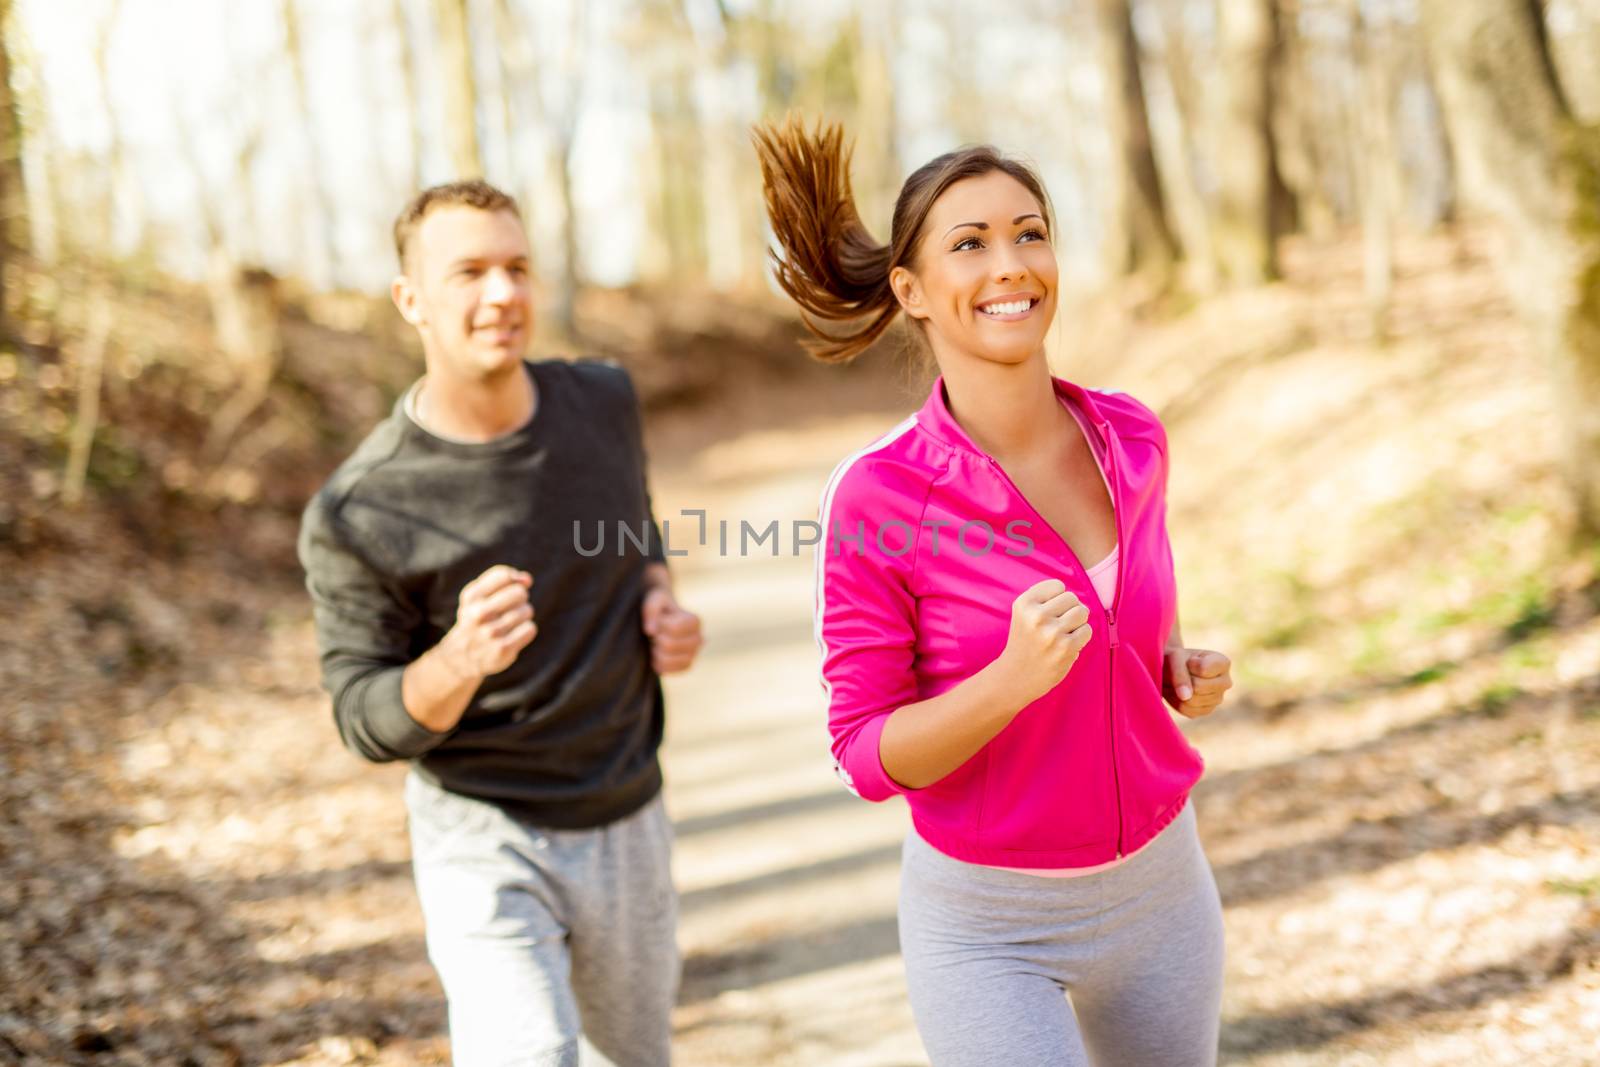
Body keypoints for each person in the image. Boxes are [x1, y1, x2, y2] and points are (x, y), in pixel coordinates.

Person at [753, 120, 1235, 1066]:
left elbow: (1136, 597)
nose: (1010, 265)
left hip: (1163, 892)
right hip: (988, 926)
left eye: (1030, 232)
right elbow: (864, 754)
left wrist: (1173, 659)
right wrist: (1012, 680)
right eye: (968, 244)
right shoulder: (880, 495)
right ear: (912, 291)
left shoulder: (1131, 435)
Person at [297, 179, 702, 1067]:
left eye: (517, 268)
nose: (502, 294)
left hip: (625, 804)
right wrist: (457, 658)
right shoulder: (359, 509)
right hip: (481, 829)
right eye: (469, 271)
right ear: (411, 300)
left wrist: (659, 599)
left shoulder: (603, 400)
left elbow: (636, 524)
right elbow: (364, 718)